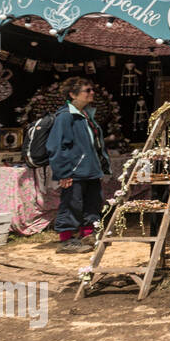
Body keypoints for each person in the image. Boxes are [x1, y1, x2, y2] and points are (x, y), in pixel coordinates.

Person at [46, 78, 109, 254]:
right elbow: (56, 146)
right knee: (71, 204)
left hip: (90, 169)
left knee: (93, 203)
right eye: (87, 90)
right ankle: (66, 240)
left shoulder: (86, 115)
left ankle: (88, 235)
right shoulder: (66, 116)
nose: (92, 93)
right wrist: (63, 173)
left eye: (91, 90)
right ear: (73, 94)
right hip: (74, 170)